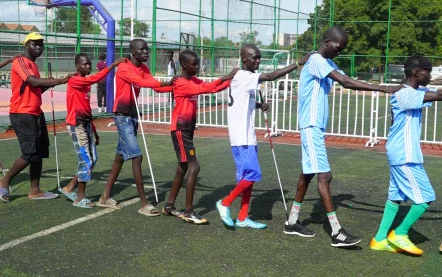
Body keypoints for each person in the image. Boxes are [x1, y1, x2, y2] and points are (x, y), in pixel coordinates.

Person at [284, 26, 400, 247]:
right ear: (327, 42)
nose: (340, 51)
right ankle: (337, 232)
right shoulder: (317, 61)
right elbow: (346, 83)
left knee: (308, 174)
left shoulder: (328, 63)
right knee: (324, 176)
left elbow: (349, 81)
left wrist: (382, 87)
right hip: (310, 126)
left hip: (315, 127)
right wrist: (384, 89)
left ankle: (292, 221)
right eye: (338, 47)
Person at [215, 44, 311, 229]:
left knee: (247, 179)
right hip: (241, 137)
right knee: (253, 174)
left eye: (259, 57)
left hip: (247, 135)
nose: (258, 60)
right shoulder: (244, 76)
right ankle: (225, 203)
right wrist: (298, 64)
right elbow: (272, 76)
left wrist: (259, 105)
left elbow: (242, 102)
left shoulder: (243, 77)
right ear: (244, 58)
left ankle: (243, 217)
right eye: (254, 58)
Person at [370, 56, 439, 255]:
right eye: (428, 71)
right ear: (417, 72)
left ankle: (380, 239)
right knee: (426, 197)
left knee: (396, 197)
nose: (430, 75)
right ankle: (400, 233)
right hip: (405, 155)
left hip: (401, 152)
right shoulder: (405, 95)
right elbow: (438, 96)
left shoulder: (414, 91)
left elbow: (436, 91)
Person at [97, 39, 173, 216]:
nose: (146, 52)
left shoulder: (144, 69)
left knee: (120, 156)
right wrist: (164, 84)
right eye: (142, 49)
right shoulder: (124, 67)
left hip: (133, 115)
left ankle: (105, 196)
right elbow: (144, 83)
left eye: (147, 49)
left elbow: (153, 85)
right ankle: (144, 204)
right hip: (122, 115)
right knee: (136, 156)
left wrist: (172, 86)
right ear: (133, 51)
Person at [0, 32, 71, 202]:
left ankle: (35, 190)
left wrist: (47, 83)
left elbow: (35, 88)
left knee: (41, 150)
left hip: (35, 112)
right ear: (26, 45)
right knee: (30, 153)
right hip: (22, 113)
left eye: (40, 44)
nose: (38, 47)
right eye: (34, 44)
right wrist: (60, 81)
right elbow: (33, 82)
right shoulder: (20, 61)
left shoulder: (32, 65)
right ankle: (3, 181)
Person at [162, 50, 238, 224]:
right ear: (183, 66)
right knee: (194, 167)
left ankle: (169, 206)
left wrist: (231, 80)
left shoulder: (192, 80)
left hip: (187, 129)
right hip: (180, 129)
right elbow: (205, 88)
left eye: (197, 63)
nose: (197, 67)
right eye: (194, 64)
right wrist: (226, 76)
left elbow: (213, 88)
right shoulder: (182, 83)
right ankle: (188, 211)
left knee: (182, 166)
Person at [58, 53, 126, 208]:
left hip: (86, 124)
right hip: (77, 125)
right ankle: (80, 197)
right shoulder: (75, 80)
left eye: (89, 64)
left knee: (92, 159)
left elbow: (86, 109)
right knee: (86, 160)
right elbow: (94, 78)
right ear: (77, 66)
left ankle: (69, 187)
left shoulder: (85, 84)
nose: (88, 66)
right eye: (84, 64)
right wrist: (113, 65)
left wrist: (94, 131)